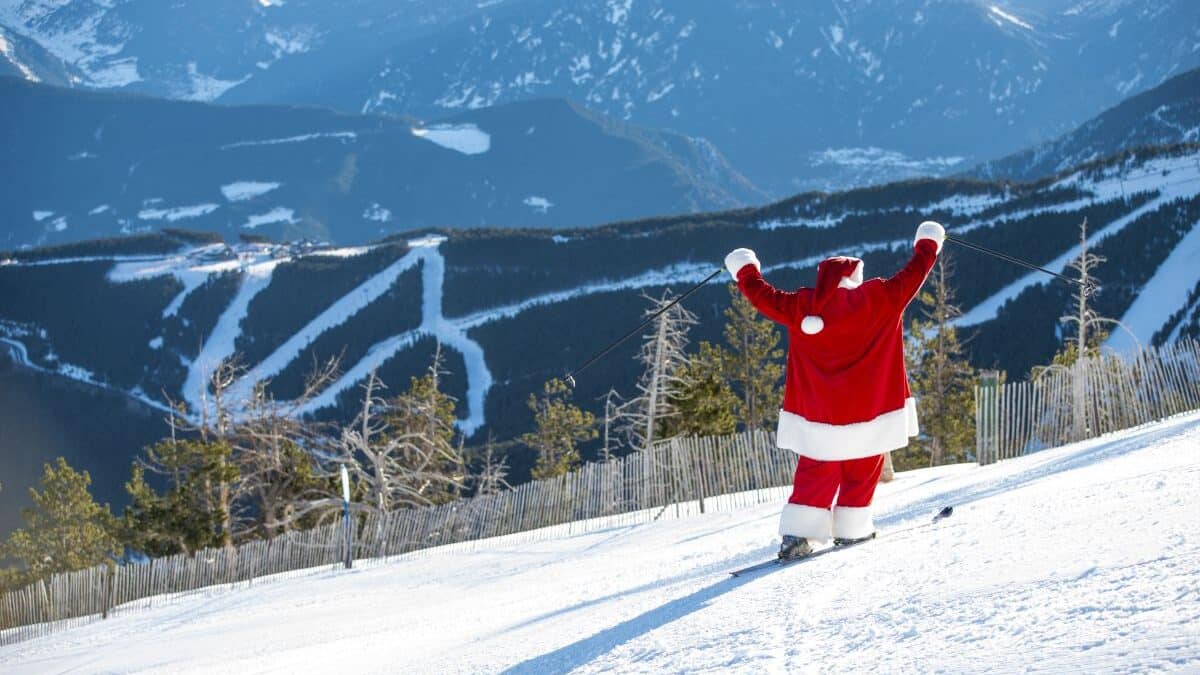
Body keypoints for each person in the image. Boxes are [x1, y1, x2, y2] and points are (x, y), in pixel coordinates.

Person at [724, 221, 944, 560]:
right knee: (862, 471)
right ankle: (853, 529)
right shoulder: (882, 297)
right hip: (871, 414)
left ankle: (798, 535)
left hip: (819, 417)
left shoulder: (802, 307)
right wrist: (928, 243)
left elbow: (761, 295)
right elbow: (916, 272)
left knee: (816, 472)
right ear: (855, 277)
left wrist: (745, 269)